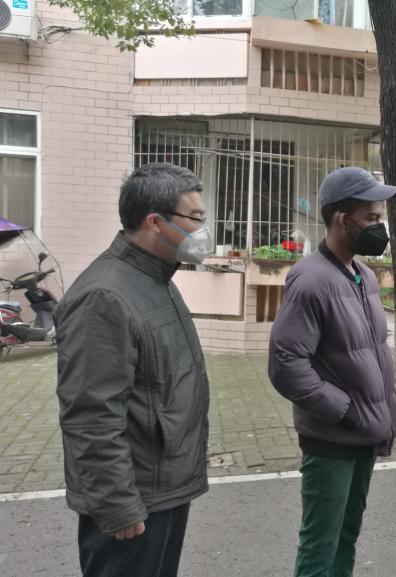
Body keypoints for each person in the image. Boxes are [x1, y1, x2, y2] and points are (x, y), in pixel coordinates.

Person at [55, 163, 213, 577]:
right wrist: (117, 504)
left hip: (163, 487)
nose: (203, 230)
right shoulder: (104, 296)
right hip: (134, 502)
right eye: (195, 218)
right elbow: (91, 413)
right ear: (155, 222)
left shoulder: (156, 278)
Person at [268, 166, 396, 577]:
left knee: (346, 538)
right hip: (333, 438)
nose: (379, 227)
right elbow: (287, 364)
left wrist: (381, 415)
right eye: (372, 218)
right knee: (319, 548)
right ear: (343, 220)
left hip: (365, 434)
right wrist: (345, 410)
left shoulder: (364, 276)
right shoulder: (311, 280)